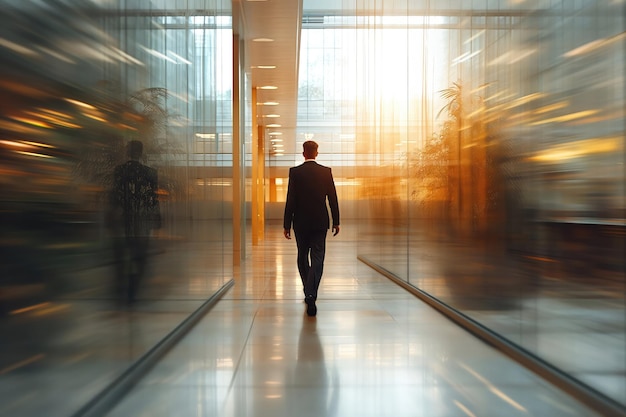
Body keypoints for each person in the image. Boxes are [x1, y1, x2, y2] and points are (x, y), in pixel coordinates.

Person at [283, 140, 340, 316]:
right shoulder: (325, 172)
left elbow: (290, 199)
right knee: (318, 257)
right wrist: (336, 221)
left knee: (302, 256)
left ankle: (308, 291)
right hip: (320, 222)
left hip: (300, 223)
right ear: (316, 153)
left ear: (303, 153)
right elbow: (332, 198)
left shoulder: (295, 172)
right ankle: (311, 293)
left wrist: (286, 224)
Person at [107, 140, 161, 304]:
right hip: (141, 223)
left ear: (128, 152)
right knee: (140, 257)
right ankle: (132, 290)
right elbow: (153, 199)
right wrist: (157, 218)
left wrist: (113, 215)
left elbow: (115, 197)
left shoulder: (119, 171)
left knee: (122, 255)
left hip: (123, 222)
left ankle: (120, 289)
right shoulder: (150, 173)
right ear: (141, 153)